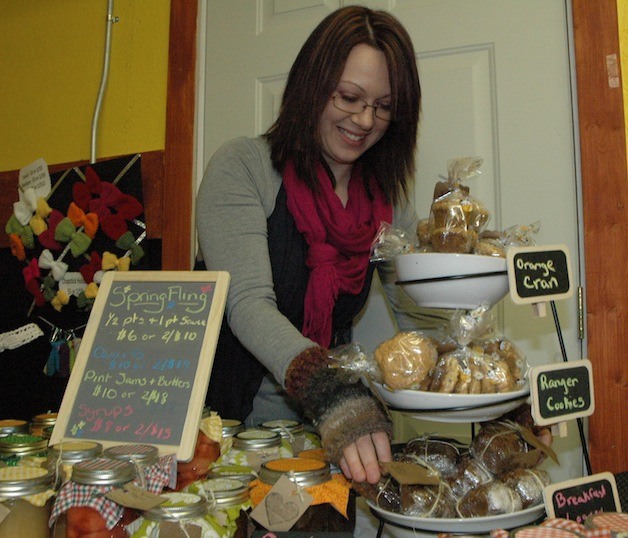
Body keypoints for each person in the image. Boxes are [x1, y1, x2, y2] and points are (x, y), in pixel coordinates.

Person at [196, 6, 447, 484]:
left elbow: (419, 318)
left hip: (330, 445)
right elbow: (248, 304)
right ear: (312, 84)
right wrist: (332, 394)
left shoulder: (387, 202)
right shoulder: (243, 168)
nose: (365, 119)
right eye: (350, 97)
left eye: (384, 106)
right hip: (235, 442)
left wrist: (488, 386)